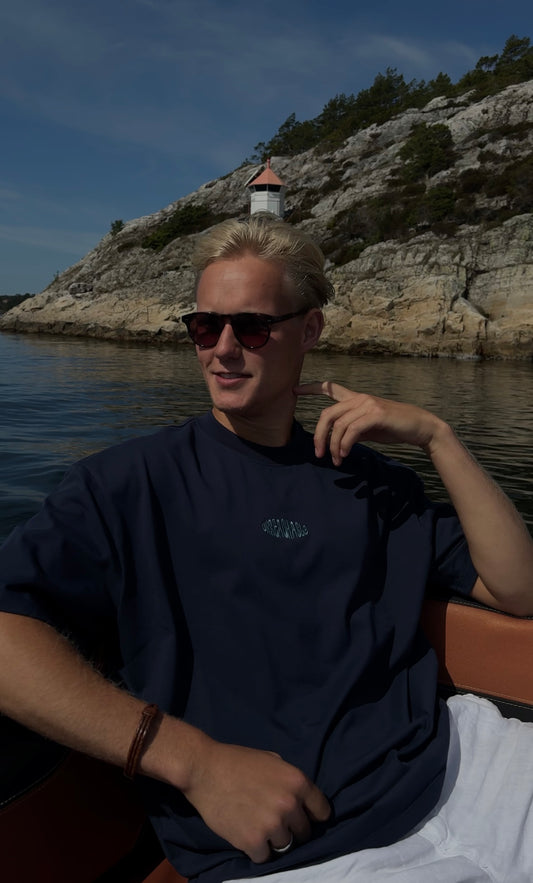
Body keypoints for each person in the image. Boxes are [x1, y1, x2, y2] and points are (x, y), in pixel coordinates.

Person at [0, 213, 532, 883]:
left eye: (251, 327)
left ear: (308, 331)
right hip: (302, 849)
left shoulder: (374, 484)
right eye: (204, 326)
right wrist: (196, 763)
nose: (223, 349)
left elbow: (519, 589)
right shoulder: (126, 485)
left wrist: (437, 437)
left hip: (465, 766)